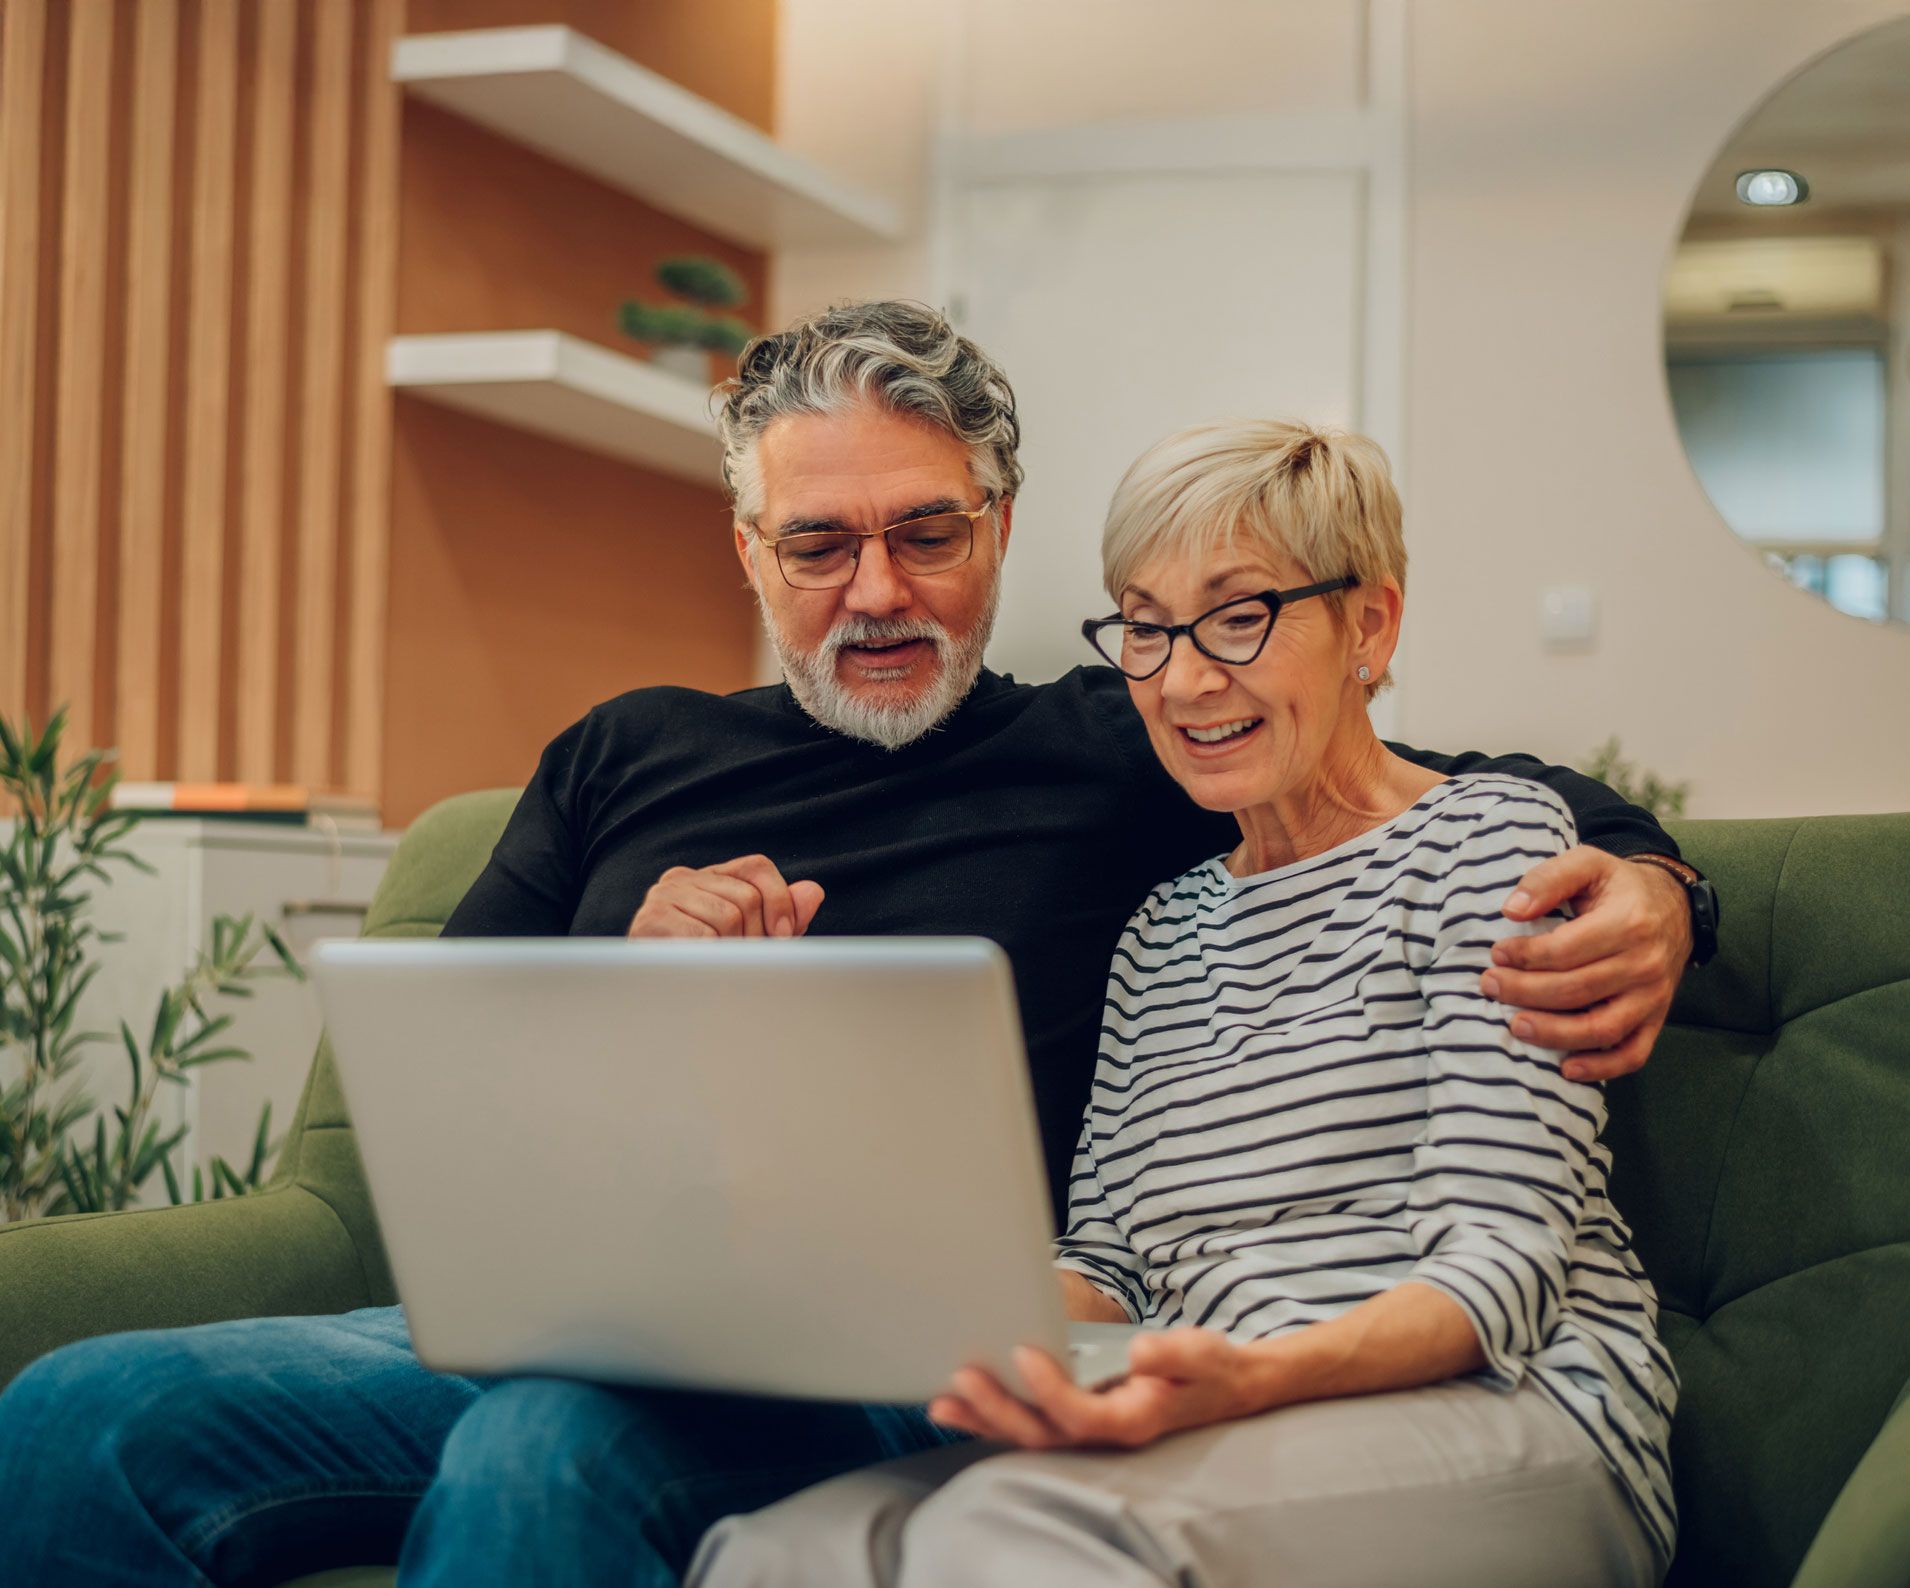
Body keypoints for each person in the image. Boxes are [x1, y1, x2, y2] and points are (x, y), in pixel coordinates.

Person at [0, 303, 1699, 1587]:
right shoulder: (619, 753)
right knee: (75, 1407)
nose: (875, 590)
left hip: (888, 1341)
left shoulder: (1129, 740)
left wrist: (1648, 872)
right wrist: (622, 984)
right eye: (817, 543)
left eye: (926, 534)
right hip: (545, 1298)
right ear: (749, 549)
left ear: (1000, 530)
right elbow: (441, 1055)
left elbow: (1423, 785)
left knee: (545, 1456)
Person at [687, 420, 1675, 1588]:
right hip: (1222, 1411)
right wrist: (916, 1314)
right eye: (1145, 627)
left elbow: (1499, 1269)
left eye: (1239, 614)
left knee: (1005, 1533)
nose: (1186, 677)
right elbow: (1105, 1258)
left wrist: (1250, 1377)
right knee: (776, 1548)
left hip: (1516, 1412)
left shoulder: (1486, 844)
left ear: (1367, 625)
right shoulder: (1162, 928)